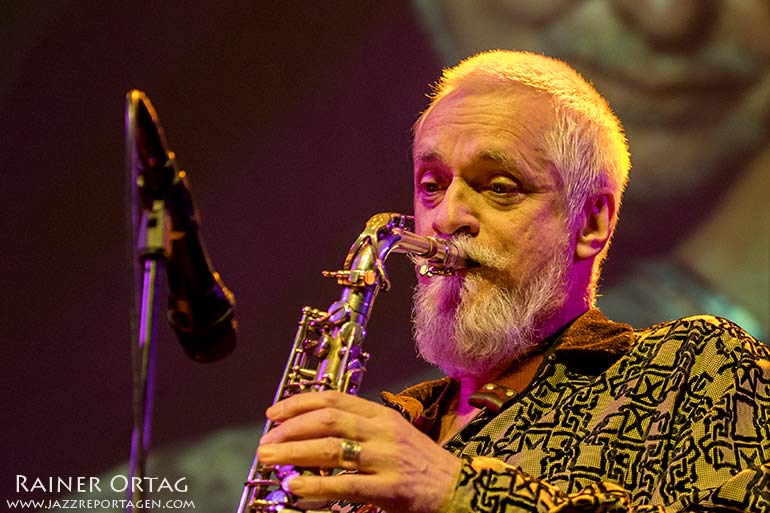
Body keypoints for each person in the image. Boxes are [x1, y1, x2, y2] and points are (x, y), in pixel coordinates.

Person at [256, 51, 770, 513]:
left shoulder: (692, 368)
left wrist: (455, 491)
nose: (448, 215)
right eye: (431, 186)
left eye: (500, 187)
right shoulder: (381, 436)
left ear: (590, 224)